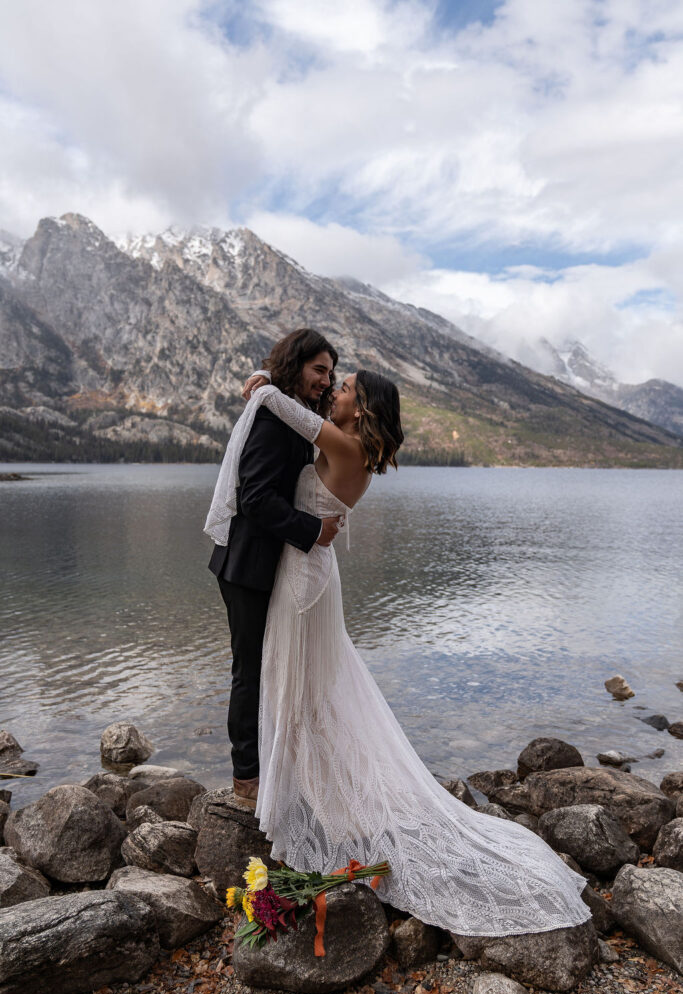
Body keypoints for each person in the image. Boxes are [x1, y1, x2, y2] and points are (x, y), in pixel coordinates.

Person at [207, 367, 592, 939]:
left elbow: (292, 414)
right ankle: (312, 794)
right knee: (308, 687)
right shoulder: (356, 447)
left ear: (359, 409)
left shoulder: (345, 443)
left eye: (342, 389)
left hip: (303, 582)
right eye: (331, 384)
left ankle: (296, 805)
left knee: (298, 685)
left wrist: (264, 385)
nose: (332, 391)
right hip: (309, 570)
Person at [205, 328, 343, 809]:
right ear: (296, 366)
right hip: (247, 565)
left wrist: (263, 377)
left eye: (330, 373)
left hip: (273, 563)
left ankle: (275, 764)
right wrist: (312, 530)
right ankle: (247, 781)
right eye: (318, 370)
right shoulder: (272, 416)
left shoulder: (291, 411)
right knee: (249, 670)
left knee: (272, 667)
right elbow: (256, 497)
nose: (326, 381)